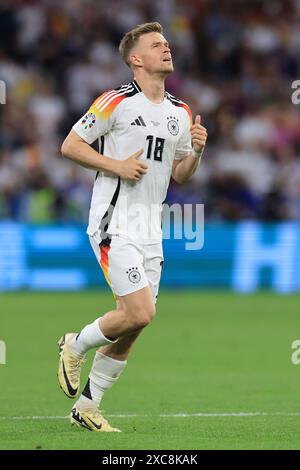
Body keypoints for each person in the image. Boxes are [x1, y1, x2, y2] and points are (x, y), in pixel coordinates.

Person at [58, 22, 207, 432]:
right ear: (135, 59)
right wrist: (117, 165)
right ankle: (76, 343)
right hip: (114, 221)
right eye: (157, 44)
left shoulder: (180, 111)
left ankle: (88, 407)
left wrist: (196, 151)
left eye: (167, 43)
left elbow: (181, 174)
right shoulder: (115, 101)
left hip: (150, 228)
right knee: (139, 311)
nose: (167, 48)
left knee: (137, 322)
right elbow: (70, 145)